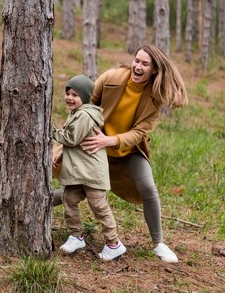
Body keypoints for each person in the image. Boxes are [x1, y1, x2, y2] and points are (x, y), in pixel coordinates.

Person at [80, 44, 188, 263]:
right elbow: (88, 107)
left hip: (129, 151)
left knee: (148, 187)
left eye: (144, 64)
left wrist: (111, 140)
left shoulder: (155, 98)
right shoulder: (111, 78)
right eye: (136, 61)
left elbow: (139, 133)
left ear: (154, 70)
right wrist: (89, 132)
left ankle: (159, 244)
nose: (138, 66)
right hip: (97, 148)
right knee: (75, 187)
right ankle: (37, 209)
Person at [52, 75, 127, 261]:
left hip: (92, 173)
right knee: (68, 198)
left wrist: (50, 130)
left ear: (85, 98)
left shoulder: (85, 115)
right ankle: (76, 236)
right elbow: (76, 143)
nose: (70, 97)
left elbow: (71, 138)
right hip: (79, 172)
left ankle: (113, 244)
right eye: (68, 93)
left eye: (75, 95)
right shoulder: (77, 113)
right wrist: (62, 154)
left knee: (99, 207)